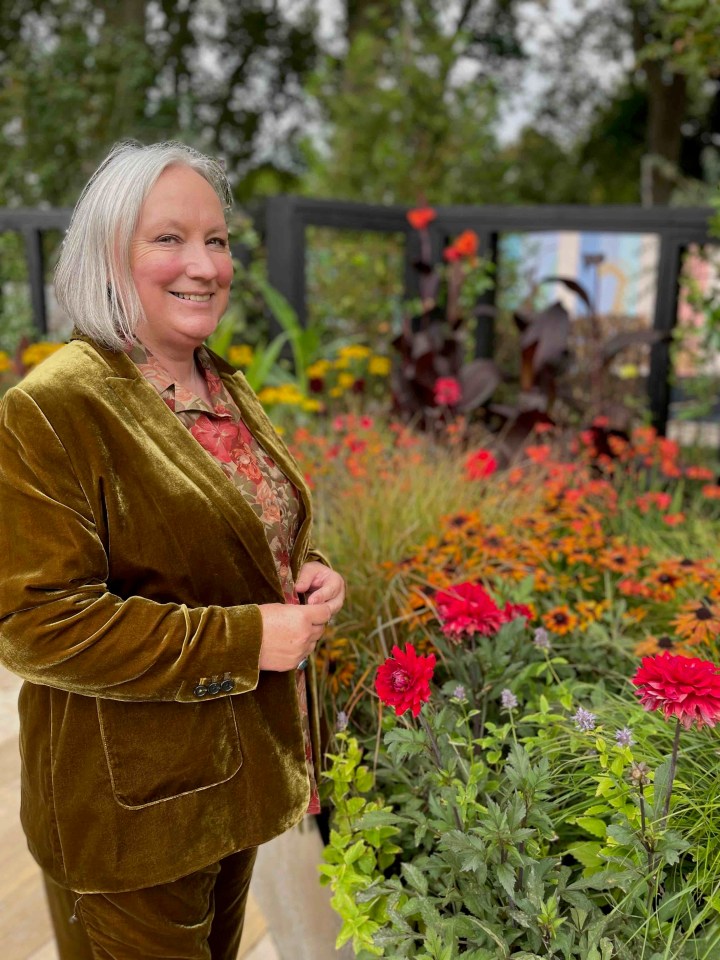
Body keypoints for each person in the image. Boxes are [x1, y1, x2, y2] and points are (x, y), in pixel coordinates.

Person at [0, 141, 345, 959]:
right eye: (169, 238)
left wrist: (302, 572)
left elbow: (222, 536)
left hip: (232, 786)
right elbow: (35, 623)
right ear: (110, 254)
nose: (205, 264)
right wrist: (247, 637)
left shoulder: (216, 381)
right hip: (133, 819)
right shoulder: (54, 408)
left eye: (218, 240)